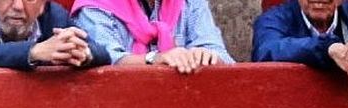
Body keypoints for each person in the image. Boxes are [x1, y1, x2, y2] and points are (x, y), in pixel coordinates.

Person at [0, 0, 109, 68]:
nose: (18, 6)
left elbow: (102, 52)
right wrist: (33, 52)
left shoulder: (55, 16)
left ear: (43, 5)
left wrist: (81, 52)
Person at [71, 0, 231, 73]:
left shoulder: (190, 3)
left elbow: (222, 56)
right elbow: (104, 60)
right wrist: (154, 59)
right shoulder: (95, 6)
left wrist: (205, 56)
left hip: (185, 107)